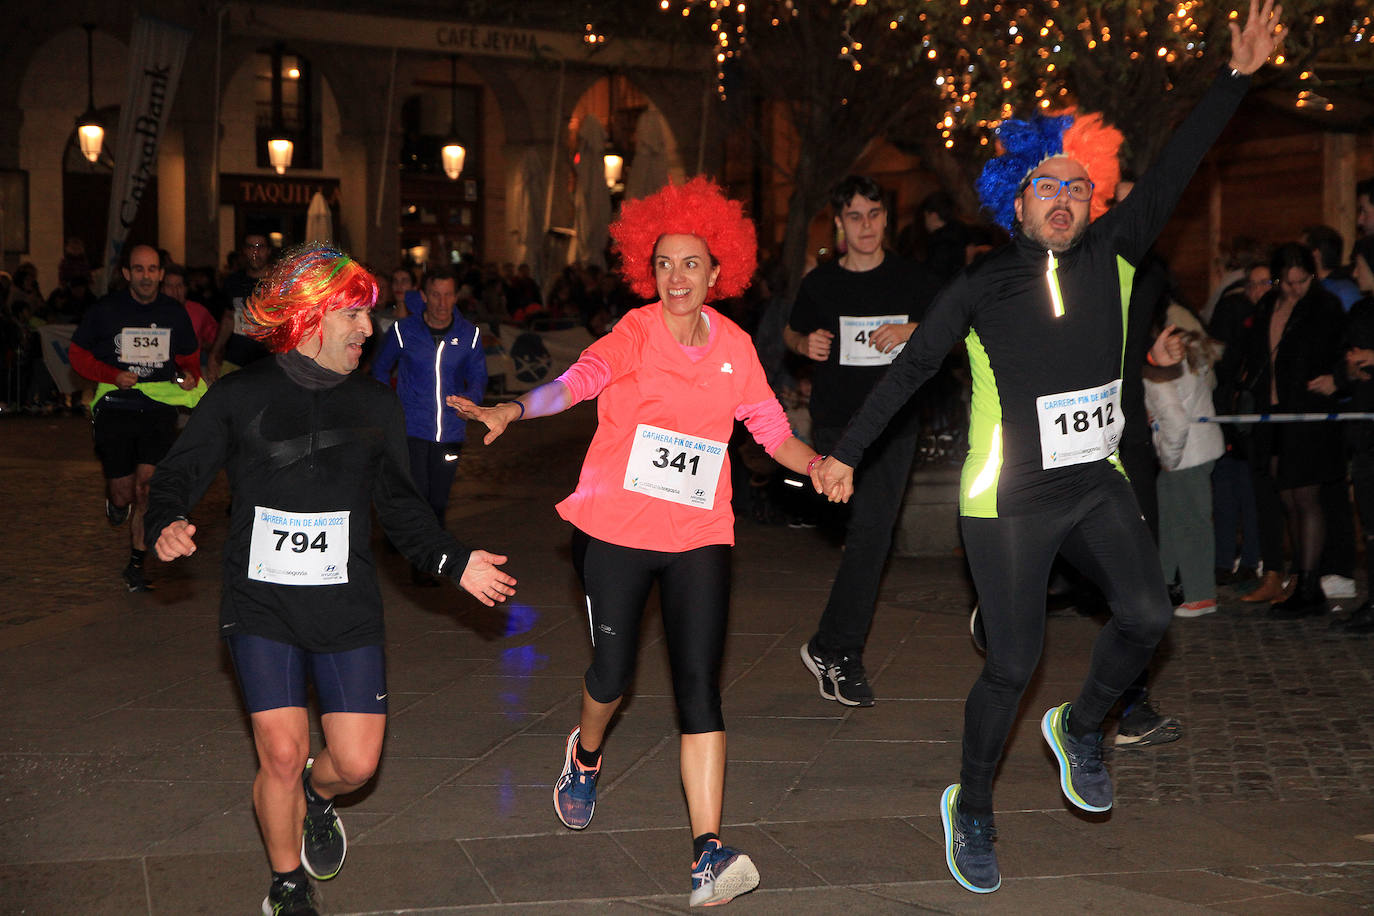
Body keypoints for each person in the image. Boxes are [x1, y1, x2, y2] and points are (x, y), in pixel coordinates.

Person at [813, 0, 1283, 893]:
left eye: (1078, 186)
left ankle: (1081, 726)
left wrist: (1238, 77)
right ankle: (975, 809)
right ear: (1016, 198)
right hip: (1009, 500)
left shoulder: (1117, 253)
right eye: (1047, 186)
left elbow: (1181, 166)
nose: (1064, 199)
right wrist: (846, 451)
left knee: (1149, 617)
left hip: (1094, 480)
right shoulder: (982, 285)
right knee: (1016, 661)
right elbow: (912, 368)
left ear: (1092, 197)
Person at [451, 179, 821, 908]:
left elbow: (772, 432)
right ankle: (584, 756)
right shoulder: (634, 334)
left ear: (719, 274)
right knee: (612, 676)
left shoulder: (737, 349)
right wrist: (517, 409)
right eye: (664, 265)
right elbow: (577, 382)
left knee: (699, 689)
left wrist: (818, 464)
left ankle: (707, 853)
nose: (676, 277)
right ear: (648, 273)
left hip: (700, 535)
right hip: (616, 532)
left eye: (691, 264)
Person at [144, 242, 516, 916]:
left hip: (345, 600)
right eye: (355, 316)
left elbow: (402, 507)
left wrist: (453, 560)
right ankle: (288, 884)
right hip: (261, 601)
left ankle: (319, 798)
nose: (368, 331)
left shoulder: (376, 405)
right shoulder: (239, 395)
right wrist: (164, 520)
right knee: (281, 754)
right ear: (315, 315)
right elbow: (178, 473)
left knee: (356, 764)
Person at [784, 174, 941, 707]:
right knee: (866, 535)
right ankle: (833, 646)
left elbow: (949, 331)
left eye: (874, 215)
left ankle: (837, 648)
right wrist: (805, 341)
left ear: (886, 220)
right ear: (839, 223)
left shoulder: (912, 279)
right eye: (855, 216)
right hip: (837, 424)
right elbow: (791, 330)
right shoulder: (822, 283)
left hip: (893, 427)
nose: (866, 226)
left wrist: (913, 330)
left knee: (872, 533)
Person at [69, 244, 203, 592]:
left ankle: (135, 564)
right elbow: (77, 354)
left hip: (158, 409)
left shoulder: (173, 312)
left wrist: (189, 373)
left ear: (161, 273)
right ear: (127, 274)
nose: (146, 276)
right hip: (116, 407)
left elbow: (189, 355)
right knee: (123, 492)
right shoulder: (105, 310)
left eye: (152, 269)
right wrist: (112, 375)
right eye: (139, 269)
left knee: (146, 489)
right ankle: (115, 503)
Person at [1234, 242, 1346, 618]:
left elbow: (1338, 353)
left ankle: (1310, 584)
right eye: (1290, 282)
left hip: (1309, 411)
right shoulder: (1267, 305)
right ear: (1279, 279)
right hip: (1274, 412)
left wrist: (1335, 380)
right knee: (1287, 497)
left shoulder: (1325, 306)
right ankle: (1300, 579)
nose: (1297, 289)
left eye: (1303, 281)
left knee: (1306, 497)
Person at [370, 267, 487, 585]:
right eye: (435, 294)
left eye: (448, 294)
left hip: (450, 432)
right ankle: (426, 564)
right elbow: (380, 368)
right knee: (420, 495)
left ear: (456, 295)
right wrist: (389, 407)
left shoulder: (469, 335)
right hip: (412, 429)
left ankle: (409, 540)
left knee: (438, 500)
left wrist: (470, 401)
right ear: (423, 296)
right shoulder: (404, 331)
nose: (441, 302)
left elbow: (478, 376)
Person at [1146, 308, 1226, 617]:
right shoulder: (1191, 352)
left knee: (1190, 526)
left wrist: (1168, 459)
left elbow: (1175, 422)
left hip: (1183, 455)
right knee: (1171, 522)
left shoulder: (1156, 373)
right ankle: (1162, 585)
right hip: (1199, 449)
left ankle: (1201, 595)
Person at [208, 232, 273, 381]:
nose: (255, 252)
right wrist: (214, 353)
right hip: (236, 358)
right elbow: (228, 318)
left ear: (269, 251)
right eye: (251, 247)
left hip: (268, 360)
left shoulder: (279, 282)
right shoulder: (233, 281)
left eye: (260, 247)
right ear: (244, 251)